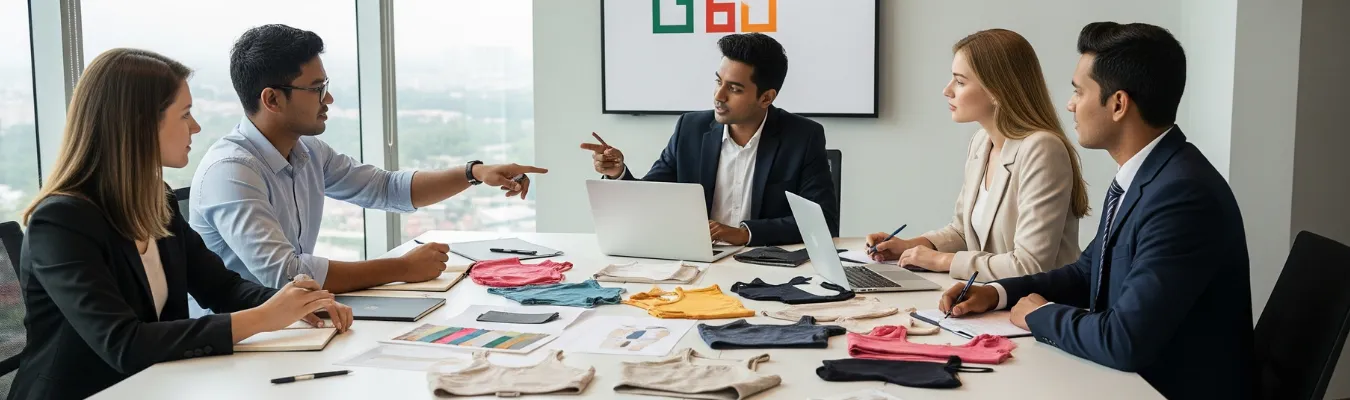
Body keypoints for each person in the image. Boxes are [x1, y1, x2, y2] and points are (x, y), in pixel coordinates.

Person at [9, 48, 354, 400]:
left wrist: (297, 303)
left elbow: (222, 289)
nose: (196, 127)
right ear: (140, 124)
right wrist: (264, 317)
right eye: (185, 114)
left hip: (157, 385)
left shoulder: (157, 200)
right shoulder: (61, 222)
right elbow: (123, 343)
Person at [936, 22, 1253, 399]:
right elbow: (1088, 272)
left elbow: (1124, 339)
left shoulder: (1182, 195)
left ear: (1118, 104)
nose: (1070, 104)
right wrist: (997, 293)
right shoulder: (1147, 175)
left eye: (1078, 91)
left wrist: (1039, 315)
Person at [189, 24, 547, 293]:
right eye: (316, 89)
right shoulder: (231, 171)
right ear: (272, 99)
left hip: (299, 321)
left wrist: (475, 172)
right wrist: (401, 268)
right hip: (248, 339)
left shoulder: (308, 151)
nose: (328, 100)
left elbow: (386, 188)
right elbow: (286, 274)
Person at [865, 29, 1089, 281]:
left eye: (960, 82)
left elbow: (1029, 265)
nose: (947, 90)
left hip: (1042, 299)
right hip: (992, 295)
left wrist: (941, 260)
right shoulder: (981, 143)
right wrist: (910, 245)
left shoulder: (1042, 149)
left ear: (996, 90)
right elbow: (963, 231)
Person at [579, 33, 837, 246]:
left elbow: (823, 222)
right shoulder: (690, 129)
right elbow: (650, 199)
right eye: (718, 81)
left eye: (734, 88)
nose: (719, 96)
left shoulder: (803, 137)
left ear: (766, 98)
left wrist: (744, 234)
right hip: (699, 261)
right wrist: (618, 173)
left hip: (764, 263)